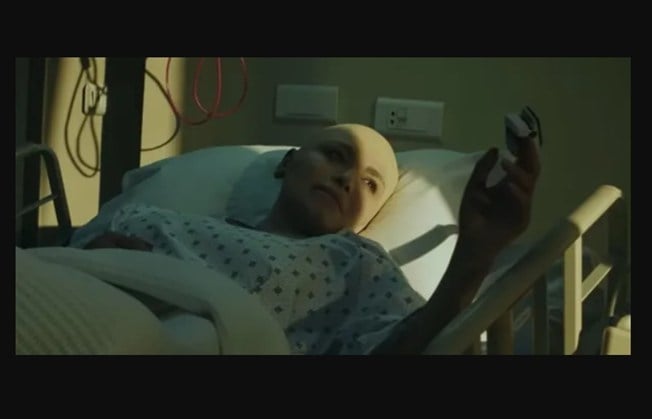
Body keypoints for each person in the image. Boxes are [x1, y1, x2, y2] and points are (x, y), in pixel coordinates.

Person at [82, 123, 540, 355]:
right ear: (287, 162)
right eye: (336, 155)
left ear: (368, 218)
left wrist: (475, 256)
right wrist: (91, 259)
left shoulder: (355, 263)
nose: (346, 178)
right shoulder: (160, 218)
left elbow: (408, 349)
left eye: (369, 184)